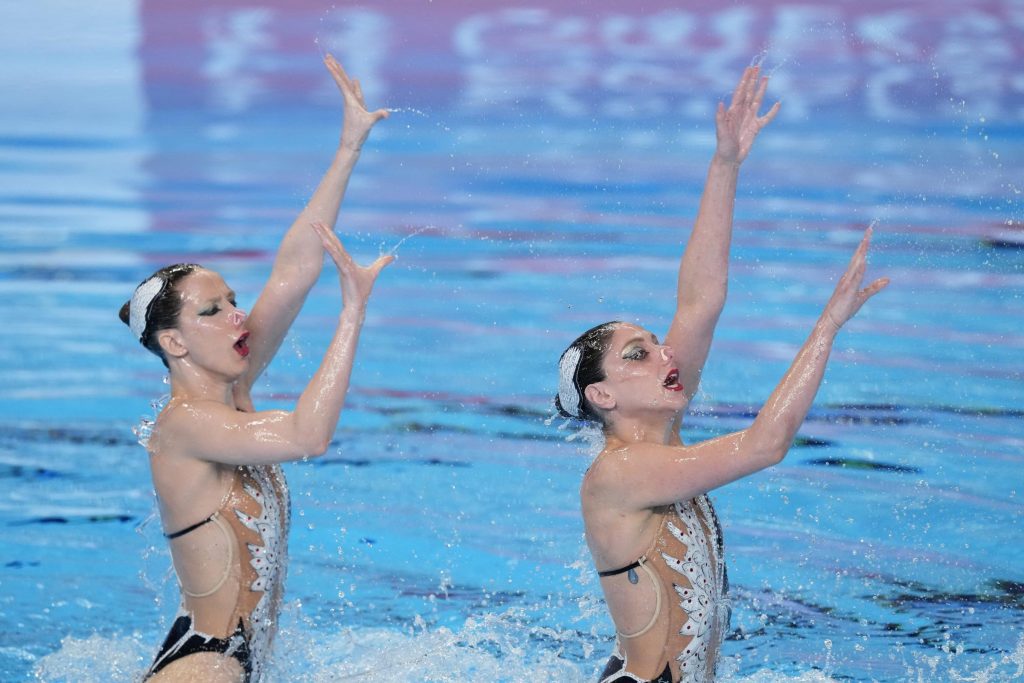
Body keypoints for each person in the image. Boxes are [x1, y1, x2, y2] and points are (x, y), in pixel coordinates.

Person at [554, 67, 888, 683]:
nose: (664, 356)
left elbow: (700, 302)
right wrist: (827, 327)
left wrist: (726, 163)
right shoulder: (618, 475)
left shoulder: (664, 441)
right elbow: (766, 443)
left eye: (657, 346)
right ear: (601, 395)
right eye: (638, 354)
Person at [119, 55, 392, 683]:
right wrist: (353, 312)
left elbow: (296, 267)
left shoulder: (232, 389)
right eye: (213, 311)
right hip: (205, 665)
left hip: (238, 659)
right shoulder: (185, 426)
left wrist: (349, 144)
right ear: (175, 343)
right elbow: (307, 436)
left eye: (234, 301)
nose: (239, 316)